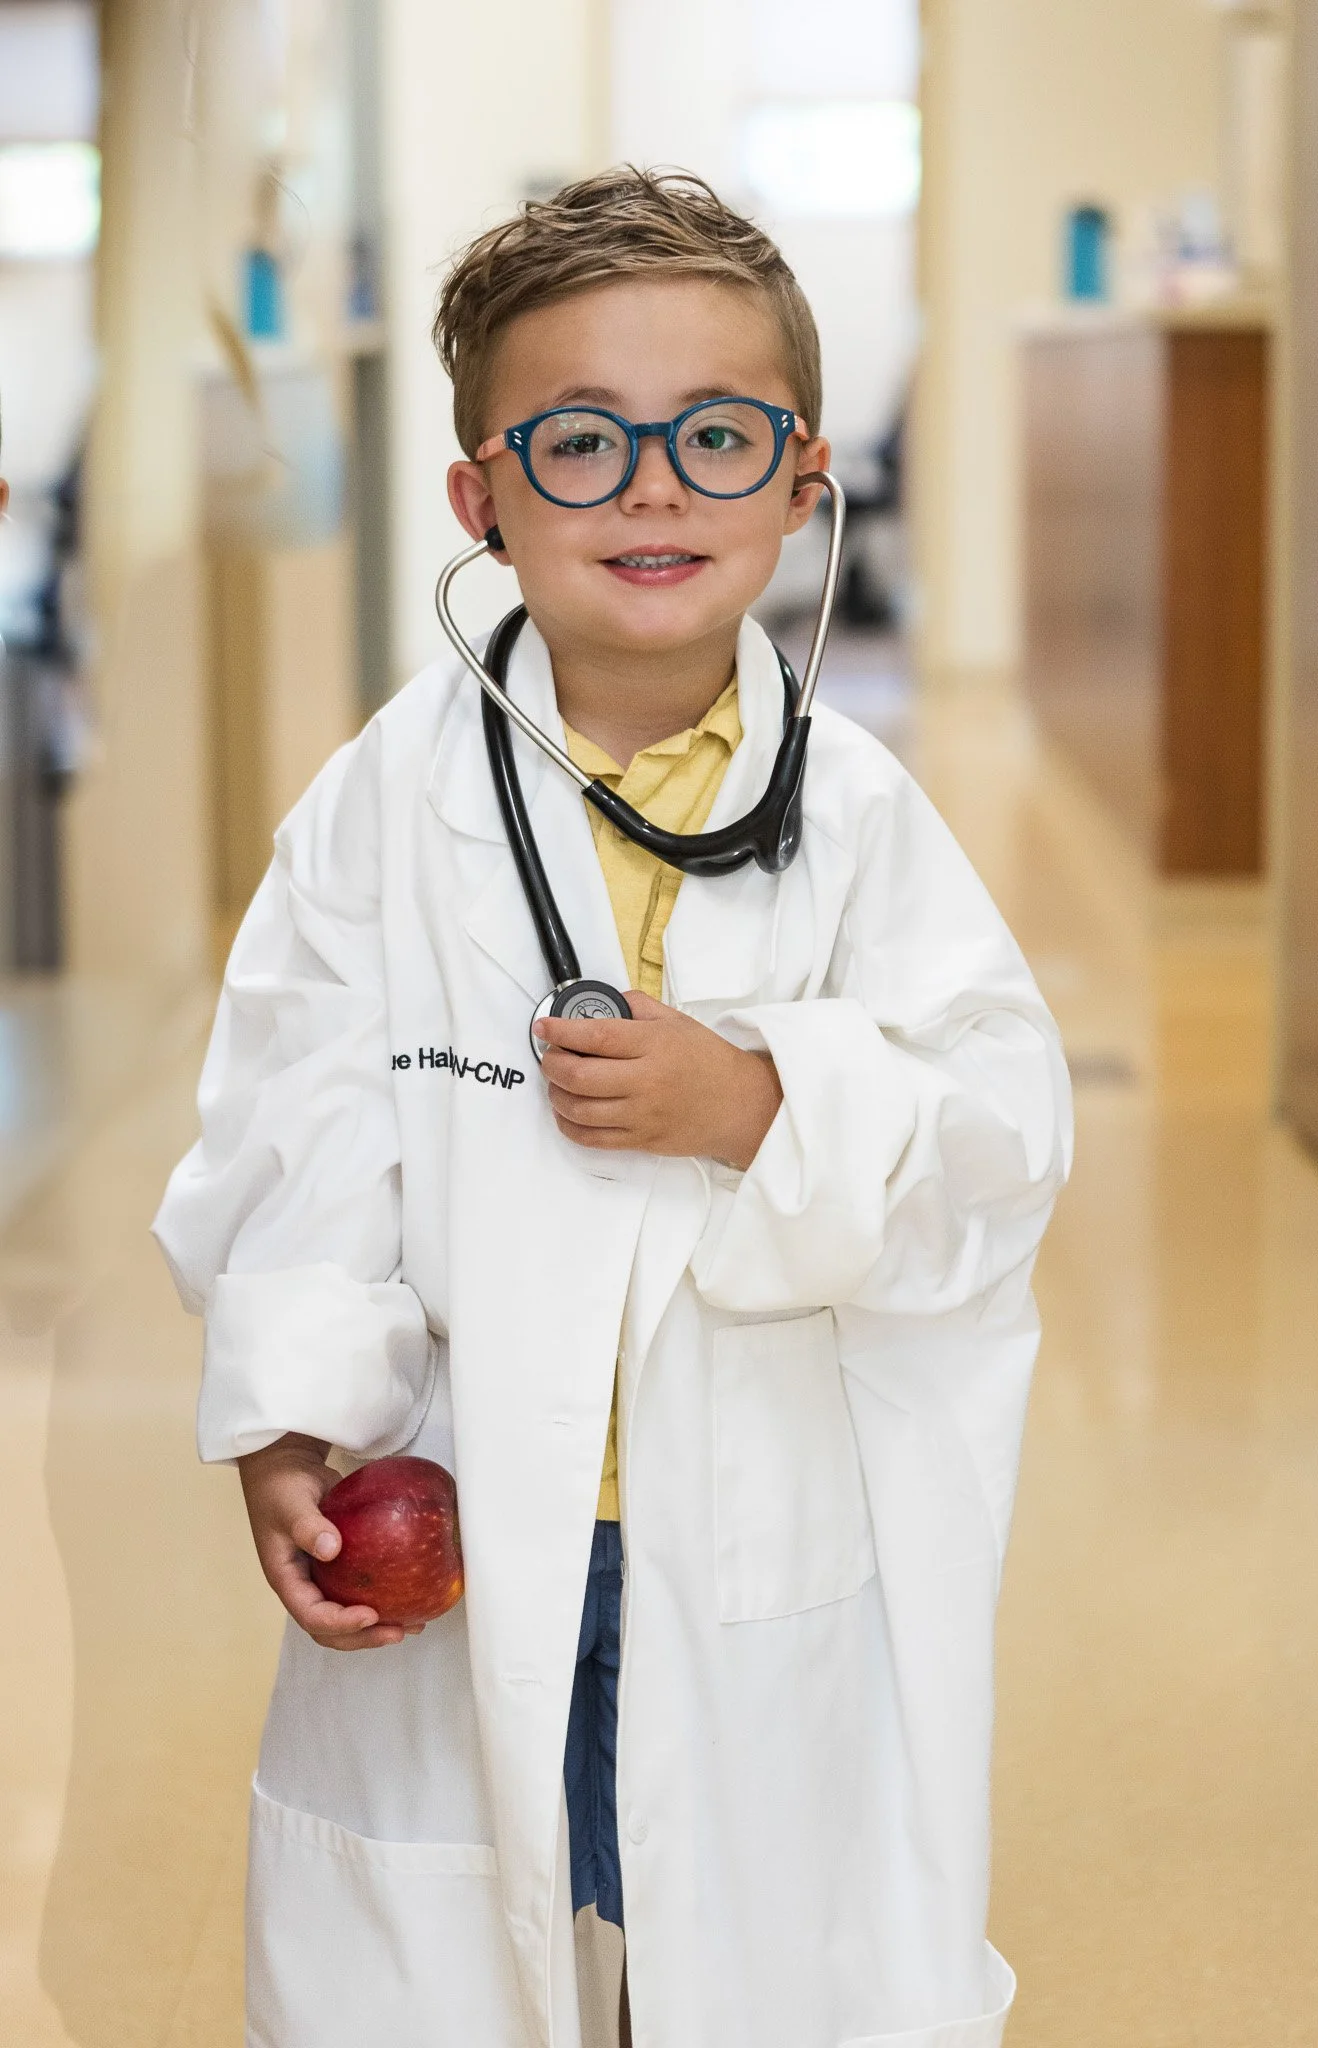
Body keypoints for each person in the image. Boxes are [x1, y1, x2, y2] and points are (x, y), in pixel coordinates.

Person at [153, 168, 1072, 2048]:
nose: (653, 488)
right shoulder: (375, 806)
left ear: (802, 482)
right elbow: (297, 1127)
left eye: (714, 438)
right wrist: (294, 1419)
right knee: (460, 1948)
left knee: (746, 1942)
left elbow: (998, 1133)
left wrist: (763, 1101)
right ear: (480, 501)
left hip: (745, 1521)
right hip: (474, 1505)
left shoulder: (867, 814)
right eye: (580, 442)